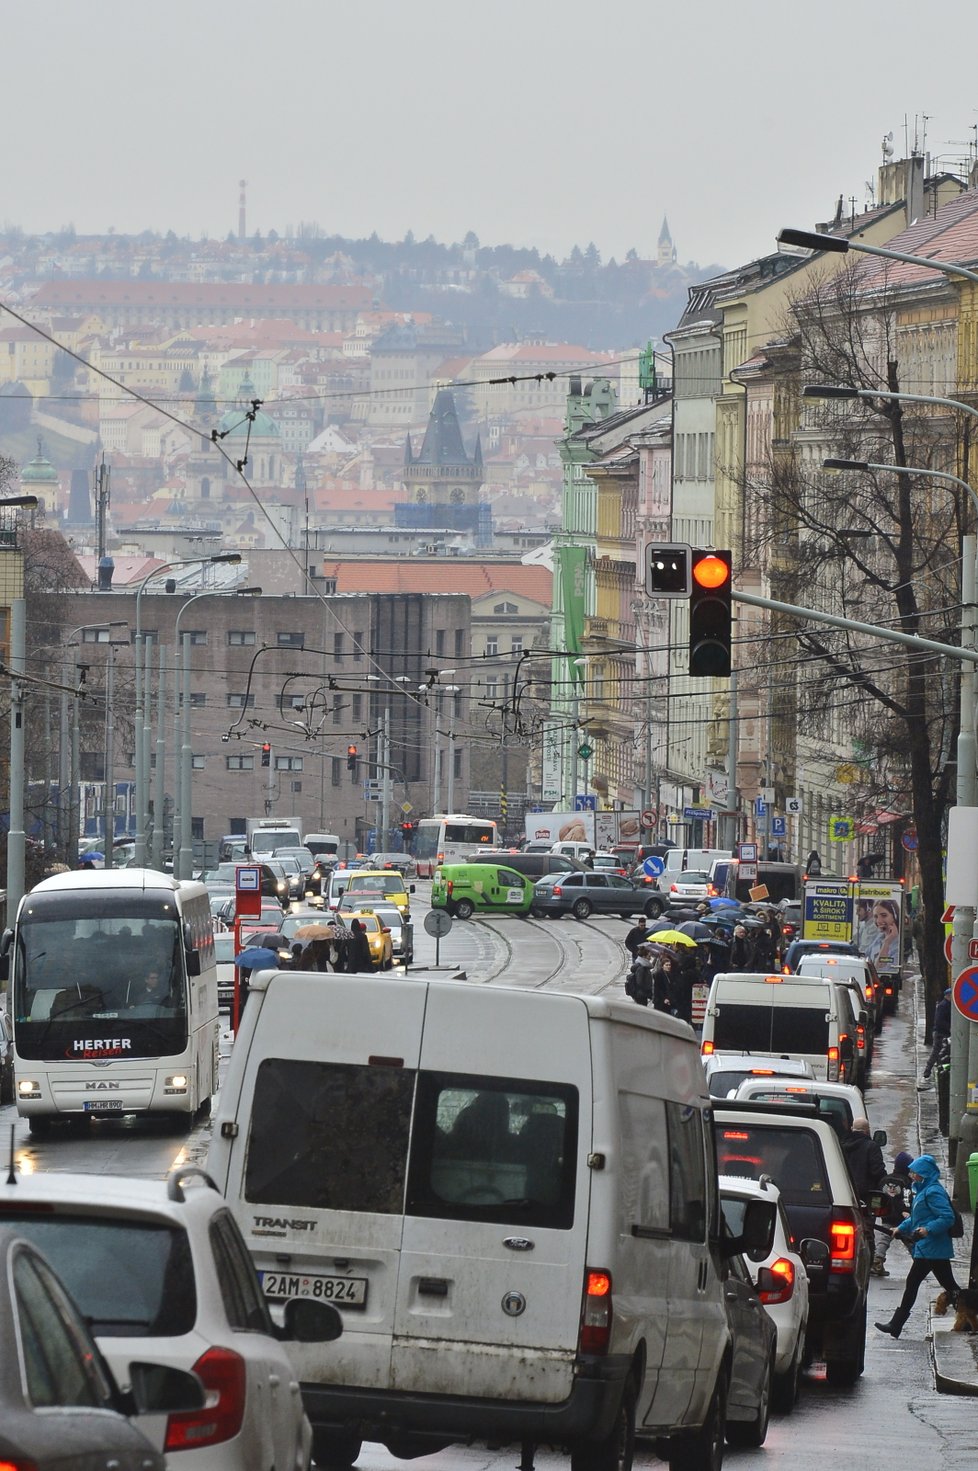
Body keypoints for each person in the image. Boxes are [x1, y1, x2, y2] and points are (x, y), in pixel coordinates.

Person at [875, 1154, 961, 1338]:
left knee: (916, 1282)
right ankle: (968, 1314)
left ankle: (896, 1324)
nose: (912, 1175)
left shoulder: (933, 1191)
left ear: (925, 1173)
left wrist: (927, 1230)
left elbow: (947, 1217)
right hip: (928, 1247)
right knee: (947, 1284)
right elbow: (916, 1218)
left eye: (916, 1172)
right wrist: (900, 1228)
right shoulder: (923, 1190)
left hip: (933, 1247)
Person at [872, 1150, 914, 1277]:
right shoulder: (906, 1181)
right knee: (909, 1240)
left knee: (884, 1239)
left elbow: (877, 1195)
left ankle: (877, 1261)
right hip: (902, 1218)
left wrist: (875, 1210)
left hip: (887, 1215)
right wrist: (907, 1211)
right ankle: (920, 1260)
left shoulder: (884, 1179)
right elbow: (907, 1197)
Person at [841, 1116, 886, 1203]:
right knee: (871, 1213)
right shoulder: (872, 1146)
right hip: (868, 1194)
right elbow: (877, 1171)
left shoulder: (841, 1145)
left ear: (851, 1129)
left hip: (846, 1191)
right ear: (867, 1131)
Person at [920, 988, 952, 1087]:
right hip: (940, 1033)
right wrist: (949, 1028)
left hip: (942, 1032)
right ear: (948, 996)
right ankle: (928, 1071)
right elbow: (939, 1021)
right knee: (937, 1052)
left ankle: (937, 1069)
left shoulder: (946, 1005)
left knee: (940, 1052)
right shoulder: (943, 1006)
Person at [865, 900, 900, 966]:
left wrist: (886, 943)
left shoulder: (898, 945)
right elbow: (865, 958)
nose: (879, 921)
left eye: (884, 915)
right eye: (876, 917)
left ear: (895, 917)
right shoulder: (879, 938)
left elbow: (879, 968)